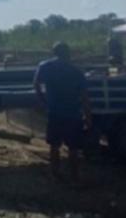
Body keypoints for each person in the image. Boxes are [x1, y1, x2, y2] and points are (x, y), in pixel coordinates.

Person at [33, 42, 92, 182]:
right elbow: (84, 97)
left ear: (54, 52)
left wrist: (42, 101)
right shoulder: (76, 71)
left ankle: (55, 173)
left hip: (55, 112)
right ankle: (74, 176)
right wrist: (88, 117)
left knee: (54, 146)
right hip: (73, 114)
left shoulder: (45, 66)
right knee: (73, 148)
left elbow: (36, 84)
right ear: (68, 53)